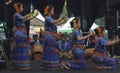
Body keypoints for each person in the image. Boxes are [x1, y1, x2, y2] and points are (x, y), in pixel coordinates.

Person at [40, 5, 67, 70]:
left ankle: (48, 65)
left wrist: (63, 21)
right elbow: (53, 22)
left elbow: (56, 24)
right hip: (49, 37)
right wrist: (61, 19)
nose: (53, 11)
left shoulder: (50, 19)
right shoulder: (47, 18)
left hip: (51, 37)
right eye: (52, 10)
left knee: (50, 50)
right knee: (50, 50)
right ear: (49, 11)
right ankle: (49, 65)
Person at [12, 3, 37, 70]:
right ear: (18, 8)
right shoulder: (16, 15)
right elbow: (24, 18)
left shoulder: (19, 16)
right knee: (20, 49)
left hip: (22, 34)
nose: (23, 8)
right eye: (22, 7)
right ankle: (20, 65)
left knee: (22, 49)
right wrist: (30, 13)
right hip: (19, 34)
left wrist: (34, 15)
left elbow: (26, 18)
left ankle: (20, 64)